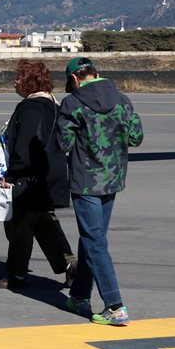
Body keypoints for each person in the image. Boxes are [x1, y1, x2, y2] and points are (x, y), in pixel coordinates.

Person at [58, 56, 144, 326]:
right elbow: (136, 137)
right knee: (91, 238)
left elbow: (64, 144)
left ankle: (114, 305)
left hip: (86, 181)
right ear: (96, 73)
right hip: (113, 179)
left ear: (74, 79)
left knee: (94, 241)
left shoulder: (72, 104)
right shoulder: (122, 100)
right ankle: (80, 296)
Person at [0, 59, 75, 290]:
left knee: (19, 226)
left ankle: (16, 274)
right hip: (49, 177)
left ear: (29, 81)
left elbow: (26, 146)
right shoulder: (53, 106)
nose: (15, 81)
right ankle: (71, 267)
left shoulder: (31, 107)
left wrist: (11, 175)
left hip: (29, 179)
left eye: (19, 77)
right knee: (45, 223)